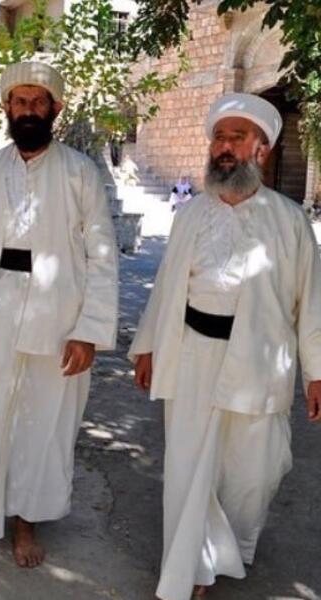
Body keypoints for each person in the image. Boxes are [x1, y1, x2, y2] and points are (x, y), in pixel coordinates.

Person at [130, 93, 321, 600]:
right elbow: (168, 286)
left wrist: (316, 371)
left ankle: (229, 547)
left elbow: (313, 302)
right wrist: (147, 347)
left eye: (238, 137)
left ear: (262, 149)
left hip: (261, 361)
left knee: (251, 471)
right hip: (192, 354)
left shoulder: (291, 221)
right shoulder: (190, 214)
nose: (225, 146)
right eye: (219, 136)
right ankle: (191, 568)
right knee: (191, 463)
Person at [0, 60, 119, 568]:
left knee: (43, 424)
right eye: (21, 102)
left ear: (55, 109)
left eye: (39, 103)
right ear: (6, 109)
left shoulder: (81, 173)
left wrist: (90, 332)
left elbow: (102, 256)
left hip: (57, 318)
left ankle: (26, 524)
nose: (29, 111)